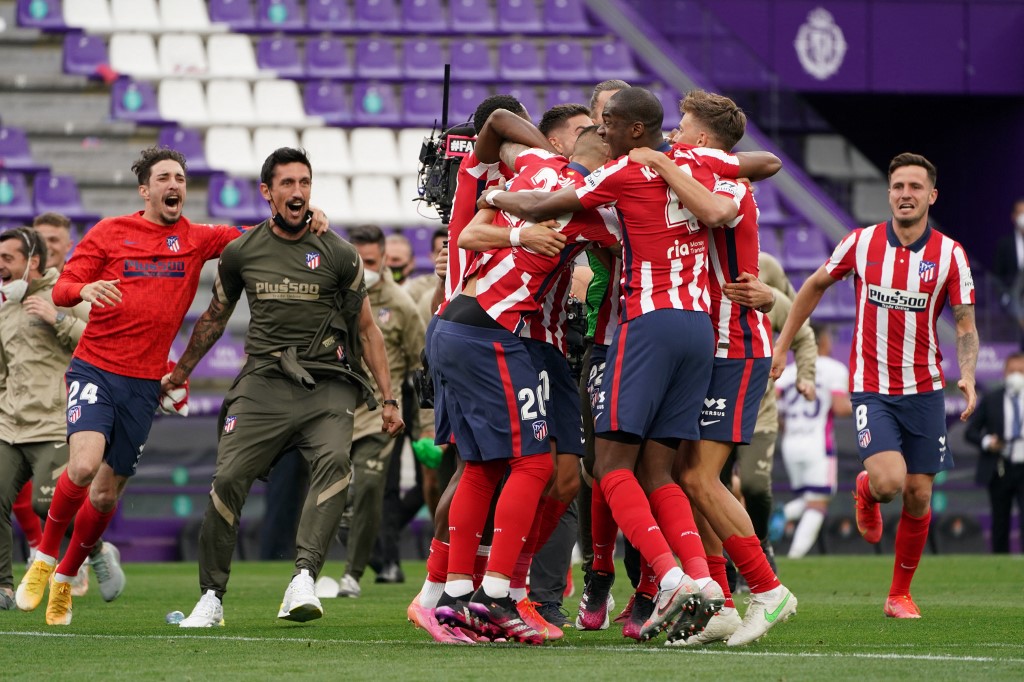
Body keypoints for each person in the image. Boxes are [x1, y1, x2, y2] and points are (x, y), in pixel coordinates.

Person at [485, 87, 783, 642]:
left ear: (633, 130)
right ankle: (708, 588)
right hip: (701, 330)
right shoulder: (697, 162)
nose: (601, 131)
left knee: (611, 466)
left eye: (608, 124)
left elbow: (545, 206)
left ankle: (676, 580)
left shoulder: (618, 178)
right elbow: (760, 167)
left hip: (647, 324)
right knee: (666, 471)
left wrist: (499, 198)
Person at [14, 146, 329, 625]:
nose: (174, 185)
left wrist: (309, 218)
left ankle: (65, 579)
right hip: (95, 368)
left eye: (180, 178)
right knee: (82, 464)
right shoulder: (109, 232)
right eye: (164, 178)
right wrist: (84, 289)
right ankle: (43, 560)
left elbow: (260, 239)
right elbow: (60, 289)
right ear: (145, 190)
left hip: (145, 384)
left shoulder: (198, 238)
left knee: (104, 496)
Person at [169, 148, 403, 627]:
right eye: (288, 184)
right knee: (228, 478)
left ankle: (303, 578)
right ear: (267, 192)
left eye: (305, 183)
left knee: (336, 464)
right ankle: (211, 597)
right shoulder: (241, 252)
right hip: (263, 382)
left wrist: (388, 398)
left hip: (329, 384)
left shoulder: (338, 252)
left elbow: (366, 329)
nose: (297, 193)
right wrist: (180, 372)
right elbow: (215, 317)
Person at [618, 90, 799, 647]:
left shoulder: (720, 184)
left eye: (681, 127)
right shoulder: (701, 173)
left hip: (734, 343)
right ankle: (718, 601)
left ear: (700, 139)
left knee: (700, 477)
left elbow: (720, 208)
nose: (671, 135)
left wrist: (661, 161)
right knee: (689, 477)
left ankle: (768, 592)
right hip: (707, 343)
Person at [431, 125, 621, 645]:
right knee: (535, 464)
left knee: (483, 466)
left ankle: (451, 598)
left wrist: (496, 202)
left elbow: (470, 231)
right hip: (495, 331)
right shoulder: (593, 203)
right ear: (604, 155)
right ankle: (495, 598)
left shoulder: (535, 167)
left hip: (456, 322)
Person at [772, 152, 978, 619]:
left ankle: (898, 595)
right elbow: (813, 286)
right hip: (873, 386)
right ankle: (867, 489)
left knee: (920, 494)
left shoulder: (950, 255)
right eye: (898, 186)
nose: (906, 194)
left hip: (925, 388)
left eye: (915, 187)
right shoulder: (861, 243)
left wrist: (966, 374)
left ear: (931, 195)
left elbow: (965, 325)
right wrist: (783, 344)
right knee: (890, 483)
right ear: (889, 193)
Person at [320, 224, 423, 598]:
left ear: (383, 260)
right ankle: (341, 556)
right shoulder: (336, 294)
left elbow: (420, 365)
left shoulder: (401, 304)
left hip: (381, 408)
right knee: (334, 493)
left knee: (369, 486)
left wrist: (425, 426)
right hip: (337, 405)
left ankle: (352, 574)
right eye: (359, 261)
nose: (366, 268)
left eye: (372, 261)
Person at [0, 228, 91, 610]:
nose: (0, 266)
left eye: (7, 259)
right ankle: (4, 586)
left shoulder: (66, 295)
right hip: (10, 426)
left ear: (32, 262)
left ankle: (93, 547)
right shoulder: (5, 309)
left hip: (54, 424)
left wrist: (58, 319)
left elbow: (96, 343)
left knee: (45, 505)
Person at [777, 323, 852, 559]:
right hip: (817, 443)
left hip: (790, 442)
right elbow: (840, 407)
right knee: (819, 502)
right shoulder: (833, 369)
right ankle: (795, 555)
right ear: (822, 341)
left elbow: (773, 411)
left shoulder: (787, 373)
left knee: (809, 499)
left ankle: (783, 514)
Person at [965, 353, 1024, 553]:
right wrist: (988, 441)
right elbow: (971, 431)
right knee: (1000, 521)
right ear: (1004, 372)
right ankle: (1000, 563)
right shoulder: (992, 399)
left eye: (1021, 372)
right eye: (1012, 371)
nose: (1016, 376)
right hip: (1000, 468)